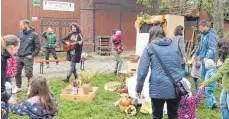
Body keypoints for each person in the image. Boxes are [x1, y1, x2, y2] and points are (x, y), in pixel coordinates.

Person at [136, 25, 182, 119]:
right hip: (175, 86)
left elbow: (142, 71)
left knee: (157, 115)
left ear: (151, 35)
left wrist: (138, 88)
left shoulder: (149, 47)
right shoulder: (173, 46)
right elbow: (179, 65)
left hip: (157, 87)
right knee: (174, 115)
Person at [201, 39, 229, 119]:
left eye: (219, 48)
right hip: (225, 86)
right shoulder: (226, 58)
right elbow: (223, 72)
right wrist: (220, 81)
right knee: (223, 105)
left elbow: (220, 72)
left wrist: (206, 83)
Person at [13, 19, 40, 94]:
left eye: (21, 25)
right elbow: (17, 43)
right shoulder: (20, 33)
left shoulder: (34, 34)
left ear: (26, 25)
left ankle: (30, 88)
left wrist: (32, 55)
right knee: (17, 72)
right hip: (19, 56)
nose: (20, 27)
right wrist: (15, 53)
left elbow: (38, 47)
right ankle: (18, 87)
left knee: (28, 74)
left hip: (28, 57)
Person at [1, 35, 20, 119]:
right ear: (12, 47)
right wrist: (7, 97)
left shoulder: (4, 56)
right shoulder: (2, 58)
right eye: (17, 48)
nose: (17, 51)